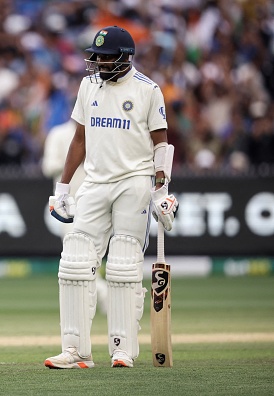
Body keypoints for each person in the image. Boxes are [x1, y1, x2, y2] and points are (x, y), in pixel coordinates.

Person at [44, 26, 178, 369]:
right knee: (74, 260)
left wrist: (162, 190)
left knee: (123, 263)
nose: (99, 62)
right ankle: (75, 350)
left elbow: (161, 143)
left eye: (106, 56)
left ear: (125, 57)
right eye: (97, 56)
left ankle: (122, 348)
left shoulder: (148, 90)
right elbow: (79, 139)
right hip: (95, 181)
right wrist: (62, 188)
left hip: (134, 182)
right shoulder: (89, 85)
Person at [41, 119, 108, 315]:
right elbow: (48, 166)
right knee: (77, 257)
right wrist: (76, 156)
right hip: (69, 207)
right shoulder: (59, 133)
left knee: (93, 257)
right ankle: (105, 298)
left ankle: (97, 301)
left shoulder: (99, 130)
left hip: (97, 202)